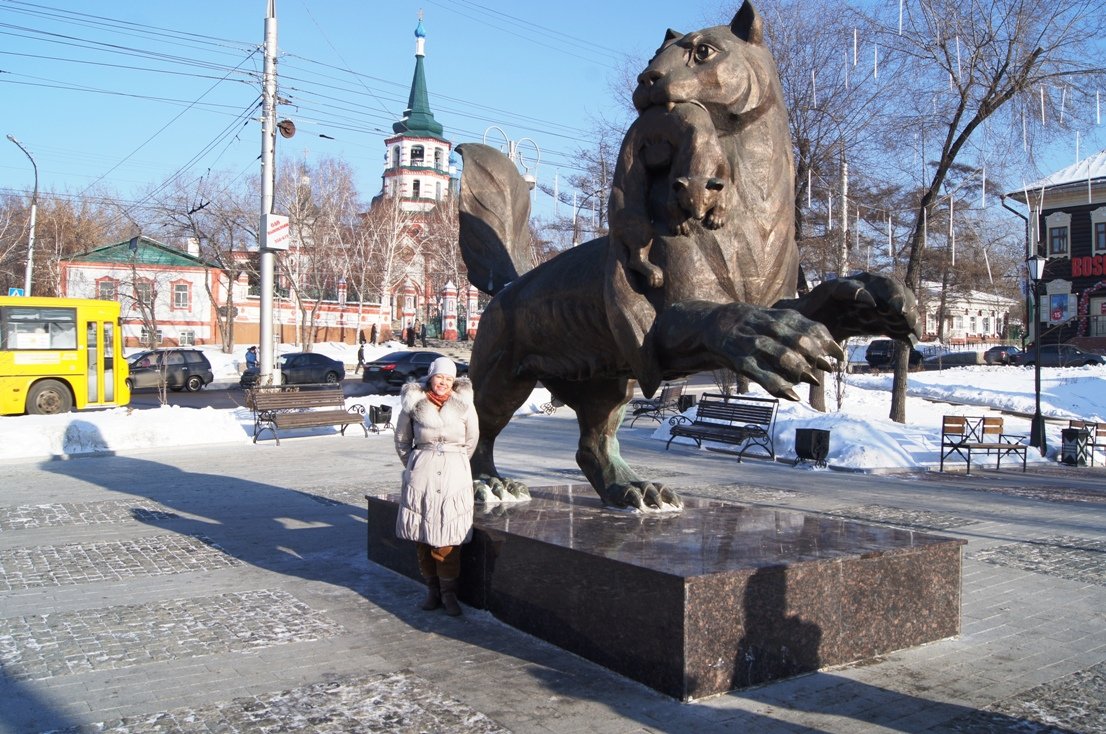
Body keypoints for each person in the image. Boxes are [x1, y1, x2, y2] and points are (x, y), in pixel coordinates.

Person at [393, 356, 478, 616]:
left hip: (454, 475)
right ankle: (432, 591)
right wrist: (416, 464)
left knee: (449, 538)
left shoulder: (464, 405)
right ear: (431, 377)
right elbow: (402, 440)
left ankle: (449, 594)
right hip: (423, 474)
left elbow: (471, 440)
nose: (443, 383)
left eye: (449, 379)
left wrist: (458, 464)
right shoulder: (414, 404)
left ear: (454, 382)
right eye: (439, 377)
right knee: (423, 537)